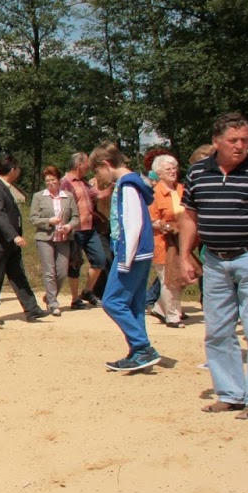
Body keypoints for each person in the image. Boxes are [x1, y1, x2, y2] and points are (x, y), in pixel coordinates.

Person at [180, 113, 248, 419]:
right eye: (233, 140)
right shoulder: (198, 172)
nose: (240, 146)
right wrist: (185, 255)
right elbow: (190, 216)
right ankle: (229, 393)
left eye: (245, 139)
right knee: (217, 331)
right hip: (214, 260)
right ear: (216, 142)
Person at [91, 143, 160, 371]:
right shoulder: (131, 183)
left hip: (132, 253)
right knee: (134, 304)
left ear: (106, 164)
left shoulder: (127, 184)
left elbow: (133, 222)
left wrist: (126, 257)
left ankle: (142, 347)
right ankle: (139, 353)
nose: (98, 177)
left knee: (112, 301)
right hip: (139, 252)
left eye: (97, 171)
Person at [0, 155, 48, 327]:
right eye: (18, 169)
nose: (19, 172)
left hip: (8, 244)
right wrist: (14, 236)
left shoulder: (3, 187)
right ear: (12, 170)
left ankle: (32, 309)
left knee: (18, 276)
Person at [29, 166, 77, 316]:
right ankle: (53, 303)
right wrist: (49, 221)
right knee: (49, 272)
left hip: (63, 238)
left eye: (53, 180)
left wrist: (69, 226)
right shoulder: (39, 196)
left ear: (59, 180)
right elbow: (33, 218)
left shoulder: (68, 196)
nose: (50, 183)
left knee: (62, 271)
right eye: (47, 180)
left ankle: (49, 295)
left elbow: (76, 217)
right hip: (45, 238)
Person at [62, 152, 107, 309]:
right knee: (75, 264)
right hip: (75, 230)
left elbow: (100, 195)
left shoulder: (84, 183)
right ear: (79, 165)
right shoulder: (65, 183)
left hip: (90, 228)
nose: (89, 166)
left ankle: (87, 291)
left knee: (100, 260)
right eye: (87, 163)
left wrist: (116, 184)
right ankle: (75, 299)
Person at [147, 155, 186, 328]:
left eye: (174, 168)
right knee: (167, 279)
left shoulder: (181, 189)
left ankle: (161, 308)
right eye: (167, 169)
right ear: (159, 174)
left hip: (181, 241)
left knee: (179, 278)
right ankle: (172, 315)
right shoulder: (154, 193)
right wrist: (167, 226)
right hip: (163, 241)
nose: (172, 171)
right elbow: (151, 220)